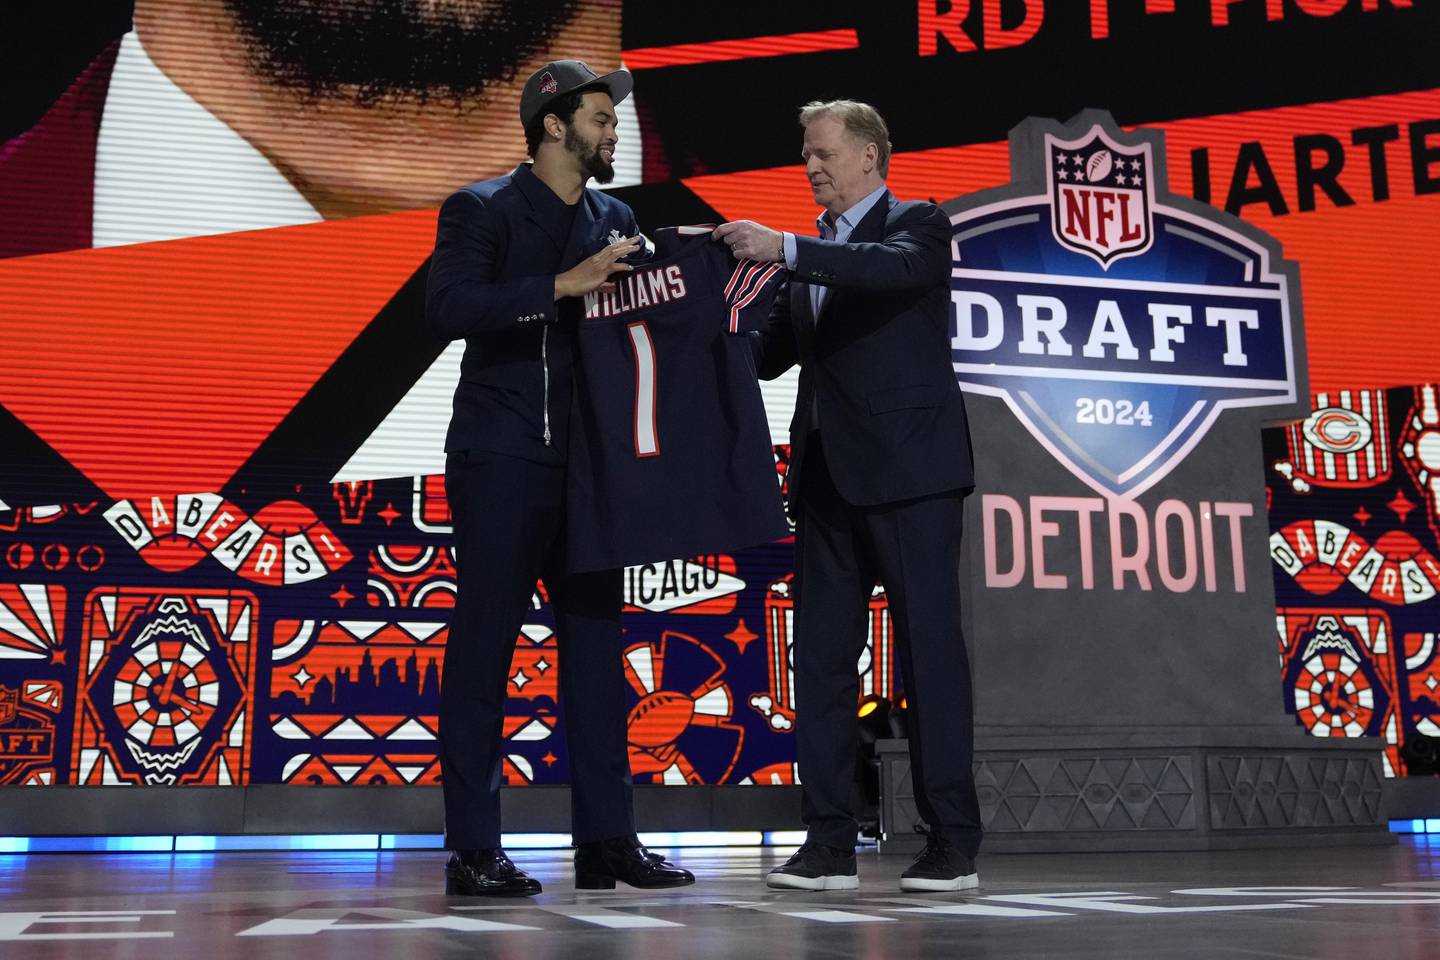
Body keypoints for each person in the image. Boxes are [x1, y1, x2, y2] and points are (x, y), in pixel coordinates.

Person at [426, 59, 692, 897]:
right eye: (600, 118)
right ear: (552, 125)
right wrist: (560, 286)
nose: (614, 131)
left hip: (592, 472)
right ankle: (474, 849)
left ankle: (608, 842)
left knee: (593, 657)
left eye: (613, 119)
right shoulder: (482, 208)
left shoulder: (619, 216)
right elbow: (448, 307)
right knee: (483, 655)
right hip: (503, 458)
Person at [715, 99, 983, 892]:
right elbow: (765, 357)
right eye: (806, 156)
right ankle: (829, 841)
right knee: (821, 664)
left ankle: (952, 843)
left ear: (869, 155)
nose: (812, 167)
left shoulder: (919, 225)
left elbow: (893, 273)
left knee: (930, 658)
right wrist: (700, 311)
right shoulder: (810, 257)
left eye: (825, 152)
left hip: (912, 478)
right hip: (827, 483)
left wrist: (788, 250)